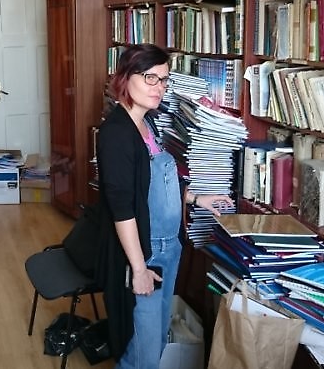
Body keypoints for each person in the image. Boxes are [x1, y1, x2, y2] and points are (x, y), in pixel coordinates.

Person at [96, 44, 232, 368]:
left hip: (169, 247)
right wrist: (139, 269)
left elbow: (152, 185)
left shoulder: (149, 123)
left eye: (164, 79)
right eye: (150, 78)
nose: (159, 87)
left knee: (156, 341)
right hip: (146, 252)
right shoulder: (116, 134)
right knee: (141, 352)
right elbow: (122, 208)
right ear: (125, 77)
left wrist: (196, 199)